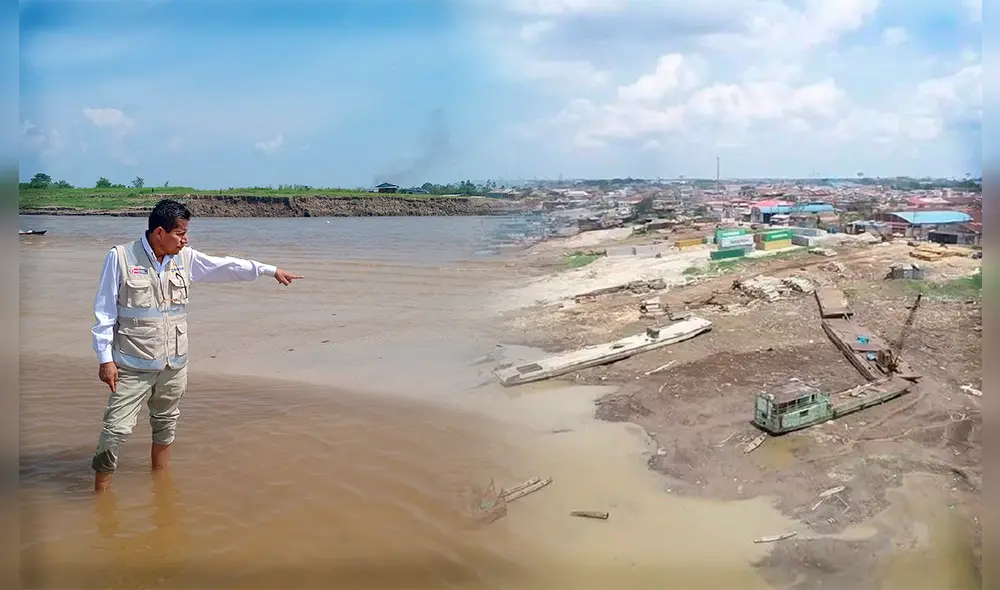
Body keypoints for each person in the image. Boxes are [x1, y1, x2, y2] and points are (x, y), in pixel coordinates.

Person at [89, 199, 303, 492]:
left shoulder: (184, 258)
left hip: (173, 366)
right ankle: (100, 495)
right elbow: (104, 313)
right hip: (132, 366)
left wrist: (269, 270)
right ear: (160, 232)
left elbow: (225, 266)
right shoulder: (121, 257)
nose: (185, 240)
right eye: (180, 233)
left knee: (165, 425)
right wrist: (105, 360)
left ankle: (160, 485)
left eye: (186, 233)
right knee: (115, 430)